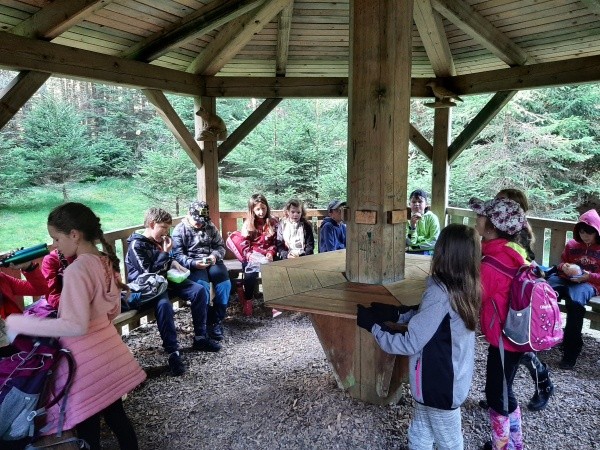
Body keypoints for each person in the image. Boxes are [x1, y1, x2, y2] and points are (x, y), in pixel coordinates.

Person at [6, 202, 145, 450]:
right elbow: (112, 311)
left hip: (85, 364)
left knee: (87, 426)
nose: (54, 246)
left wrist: (21, 323)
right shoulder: (104, 261)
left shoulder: (76, 270)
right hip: (110, 353)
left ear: (74, 235)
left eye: (56, 239)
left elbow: (75, 326)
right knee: (117, 417)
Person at [356, 224, 481, 450]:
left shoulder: (440, 293)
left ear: (443, 252)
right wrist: (398, 313)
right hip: (443, 380)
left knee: (449, 442)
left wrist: (373, 326)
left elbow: (409, 343)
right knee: (421, 430)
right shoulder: (464, 287)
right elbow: (435, 320)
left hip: (438, 385)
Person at [126, 207, 220, 377]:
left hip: (166, 280)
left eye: (168, 228)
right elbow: (148, 273)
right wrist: (165, 253)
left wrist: (172, 261)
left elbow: (165, 263)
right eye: (163, 227)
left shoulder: (158, 240)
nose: (166, 232)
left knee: (198, 290)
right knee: (164, 306)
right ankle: (173, 353)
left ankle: (200, 337)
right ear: (152, 224)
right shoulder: (136, 245)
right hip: (150, 287)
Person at [469, 196, 530, 450]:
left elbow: (472, 297)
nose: (476, 219)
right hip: (515, 335)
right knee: (505, 390)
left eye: (481, 216)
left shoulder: (493, 263)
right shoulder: (511, 251)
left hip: (505, 340)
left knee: (496, 394)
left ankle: (502, 446)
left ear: (492, 226)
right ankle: (514, 444)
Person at [491, 188, 554, 411]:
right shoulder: (501, 227)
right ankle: (497, 393)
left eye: (501, 202)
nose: (496, 206)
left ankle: (542, 384)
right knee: (512, 354)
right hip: (507, 302)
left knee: (522, 351)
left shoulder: (519, 232)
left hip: (518, 302)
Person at [547, 208, 600, 369]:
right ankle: (543, 337)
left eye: (589, 232)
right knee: (543, 292)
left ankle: (571, 351)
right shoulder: (571, 245)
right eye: (582, 232)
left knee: (575, 304)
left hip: (587, 283)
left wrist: (588, 276)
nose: (585, 236)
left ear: (597, 231)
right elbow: (562, 263)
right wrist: (564, 267)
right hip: (565, 279)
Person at [172, 201, 231, 342]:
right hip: (192, 264)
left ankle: (216, 320)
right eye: (196, 221)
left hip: (212, 261)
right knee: (202, 288)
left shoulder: (210, 226)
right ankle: (205, 323)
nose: (199, 224)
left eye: (202, 221)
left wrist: (214, 256)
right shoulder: (179, 230)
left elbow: (220, 246)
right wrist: (193, 263)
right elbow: (177, 255)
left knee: (224, 284)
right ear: (188, 214)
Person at [239, 194, 278, 307]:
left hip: (268, 255)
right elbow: (244, 245)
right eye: (258, 209)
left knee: (274, 273)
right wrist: (250, 255)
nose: (261, 212)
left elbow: (276, 242)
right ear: (252, 210)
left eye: (263, 208)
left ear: (267, 207)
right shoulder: (248, 224)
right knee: (250, 275)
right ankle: (248, 300)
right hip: (253, 256)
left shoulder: (273, 222)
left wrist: (271, 253)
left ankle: (273, 301)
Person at [406, 189, 440, 255]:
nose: (416, 204)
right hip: (410, 250)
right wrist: (412, 226)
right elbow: (410, 242)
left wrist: (413, 248)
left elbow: (434, 242)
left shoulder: (433, 218)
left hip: (428, 250)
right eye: (413, 202)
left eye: (420, 202)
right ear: (409, 204)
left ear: (426, 204)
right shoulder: (407, 219)